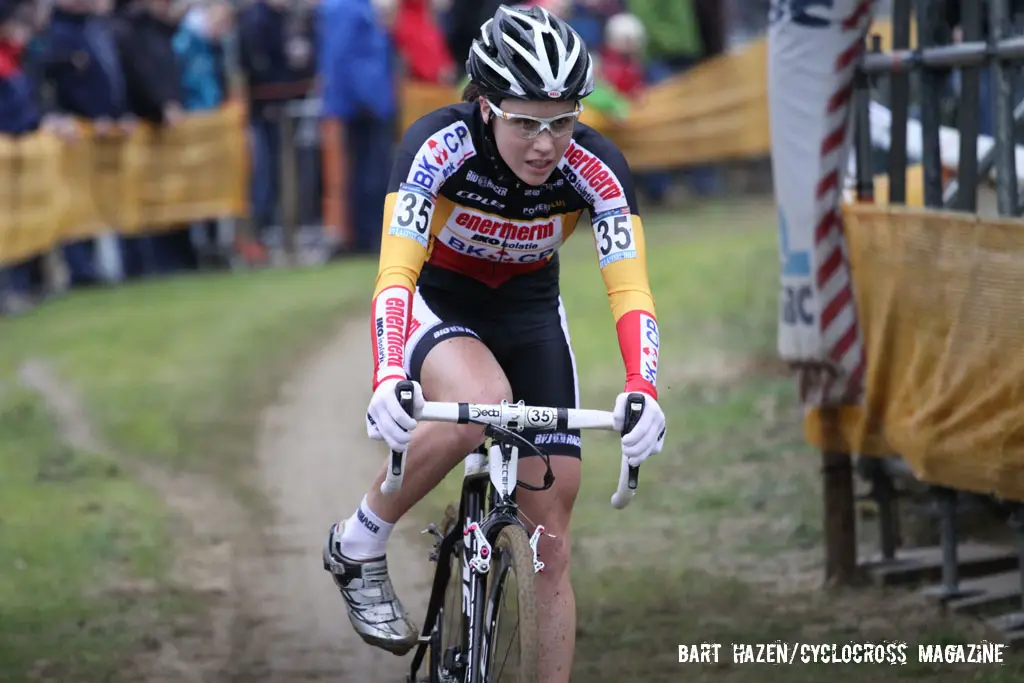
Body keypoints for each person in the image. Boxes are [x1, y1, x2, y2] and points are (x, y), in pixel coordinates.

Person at [321, 5, 666, 682]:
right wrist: (390, 371)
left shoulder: (596, 168)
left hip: (528, 308)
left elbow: (630, 292)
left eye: (562, 121)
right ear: (484, 107)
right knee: (482, 401)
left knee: (550, 538)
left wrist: (643, 386)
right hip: (437, 296)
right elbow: (395, 274)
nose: (546, 143)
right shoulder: (436, 145)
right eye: (525, 121)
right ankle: (358, 539)